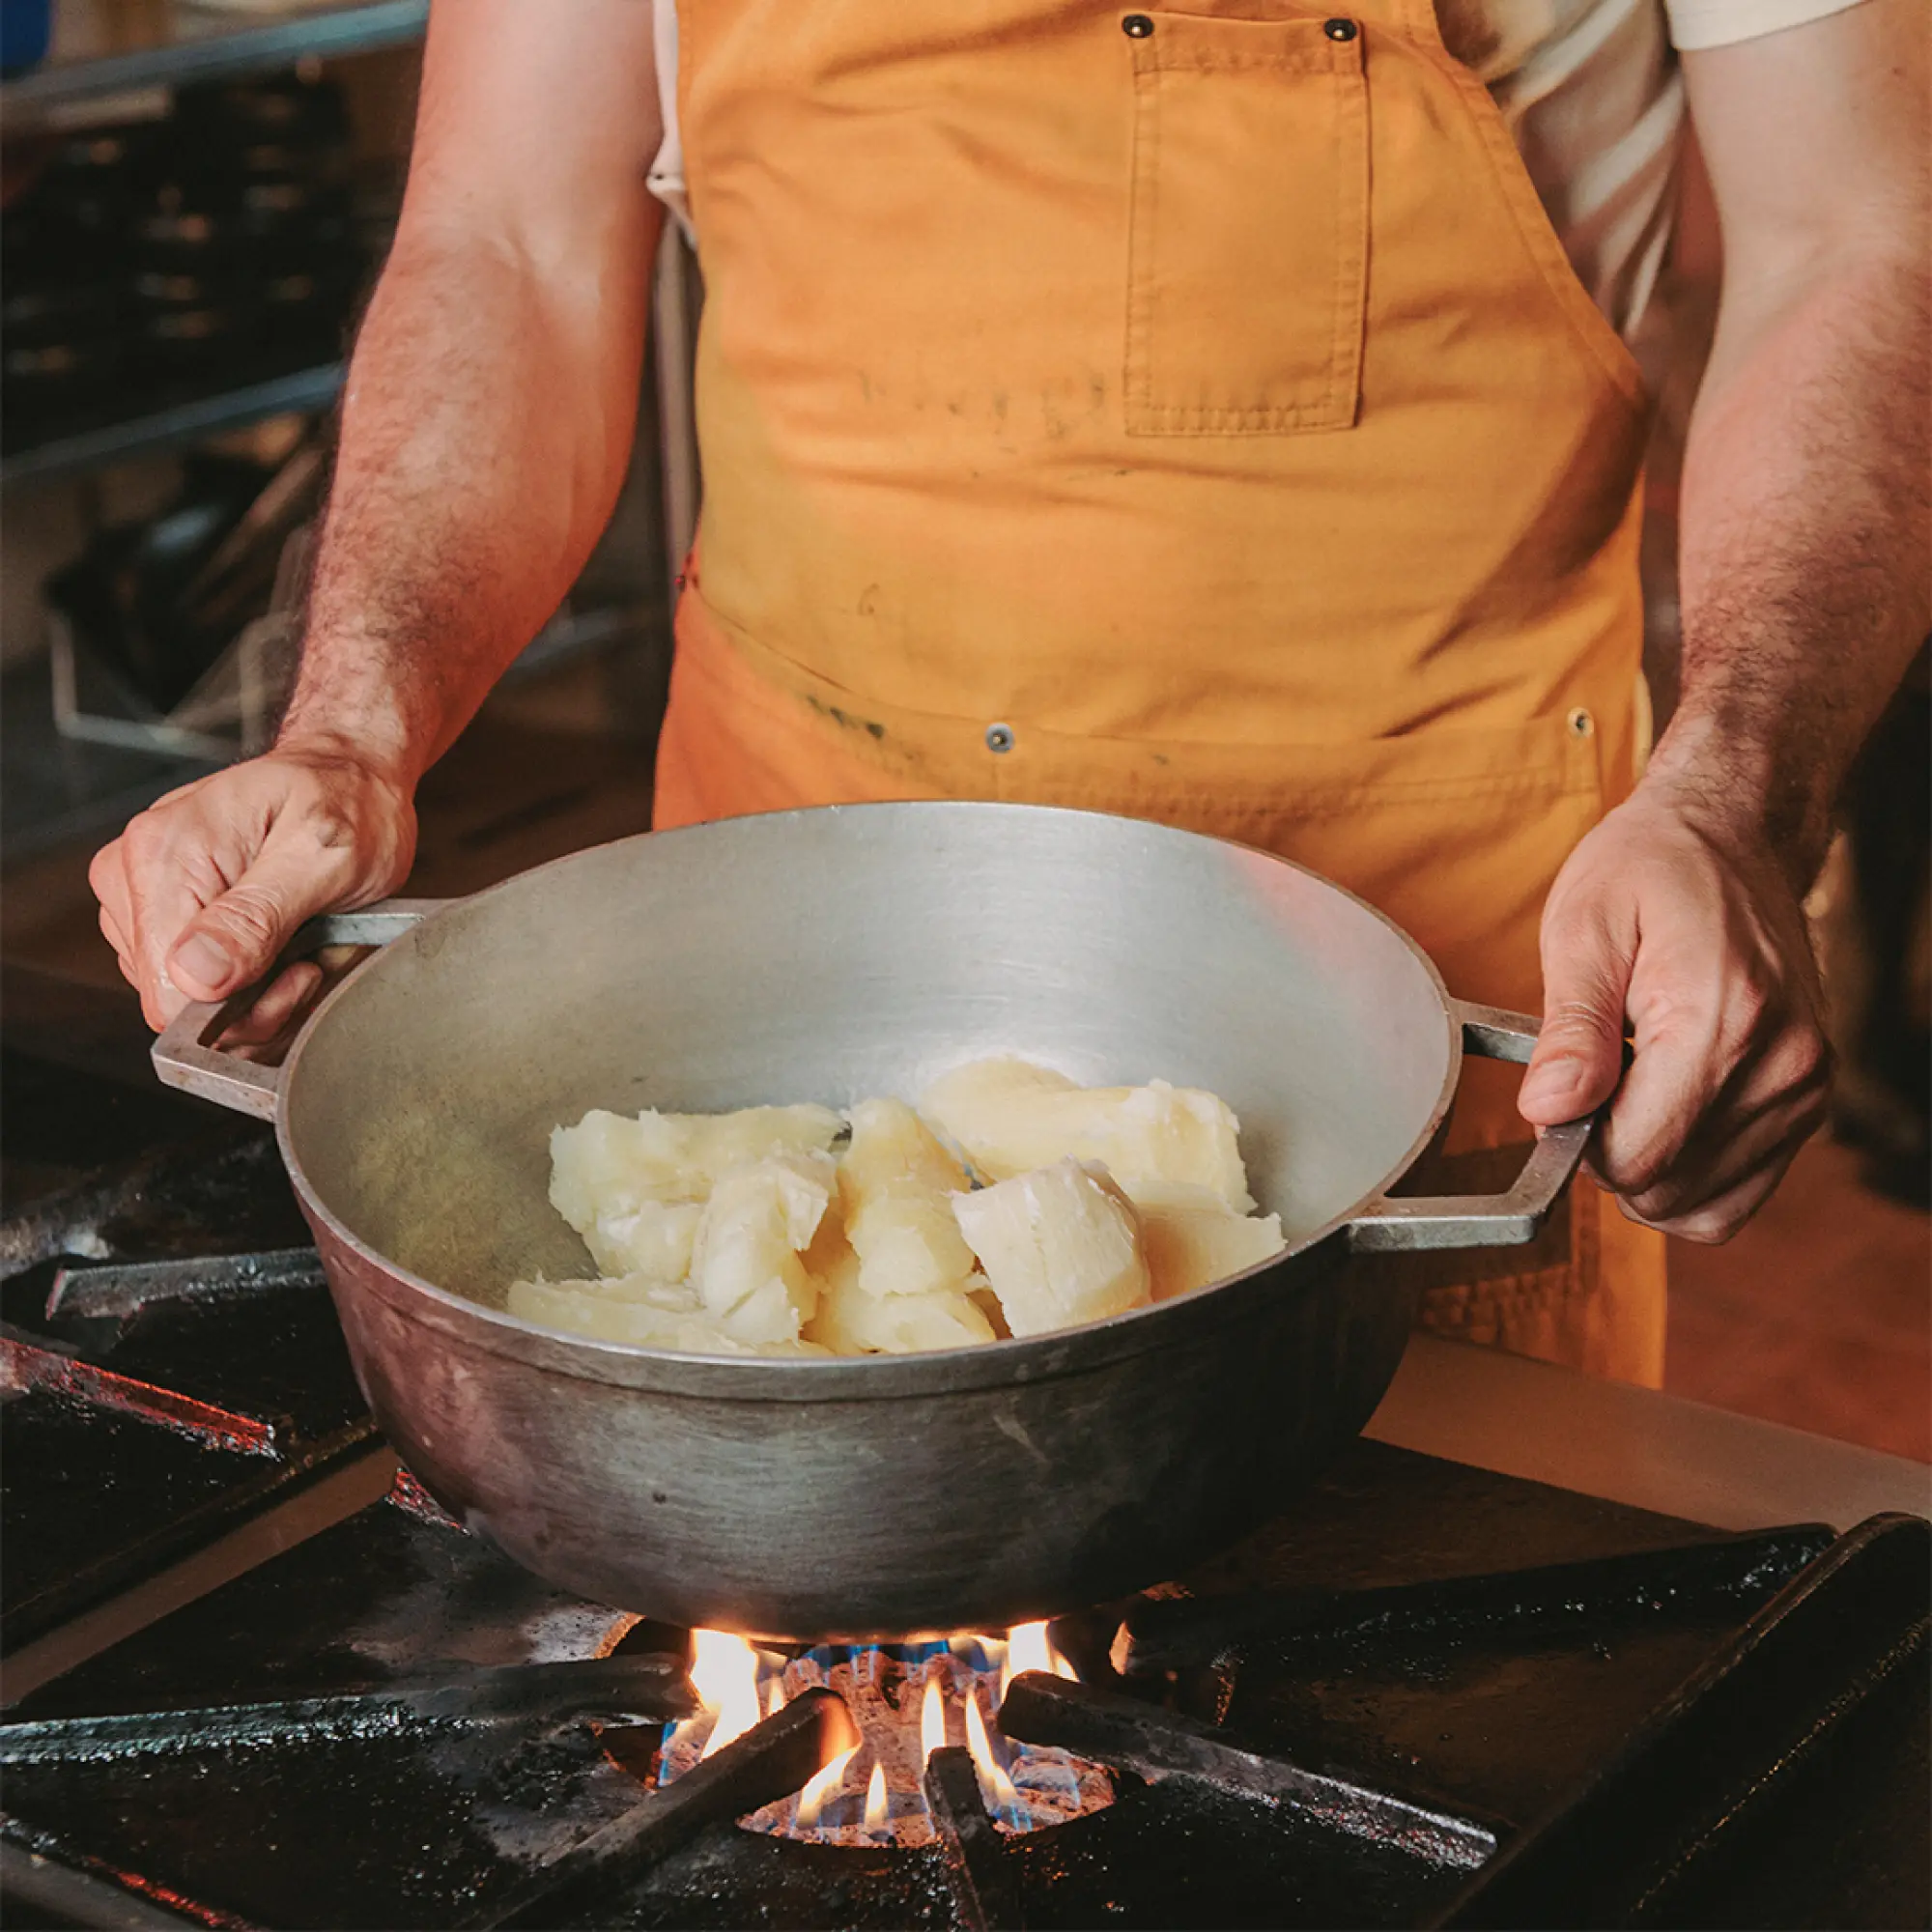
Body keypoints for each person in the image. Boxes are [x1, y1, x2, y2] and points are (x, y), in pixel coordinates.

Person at [90, 0, 1927, 1384]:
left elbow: (1864, 235)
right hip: (776, 973)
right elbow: (510, 239)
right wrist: (352, 723)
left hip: (1421, 1014)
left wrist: (1735, 792)